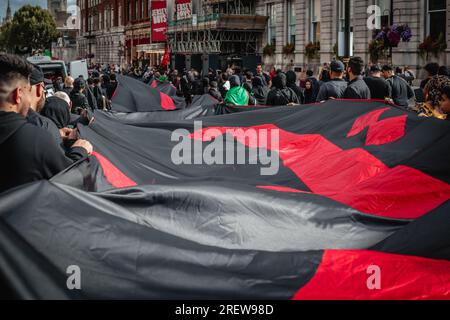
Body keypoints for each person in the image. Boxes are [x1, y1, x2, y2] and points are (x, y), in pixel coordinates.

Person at [0, 54, 92, 193]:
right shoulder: (34, 140)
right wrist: (80, 151)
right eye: (27, 91)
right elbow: (71, 180)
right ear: (17, 95)